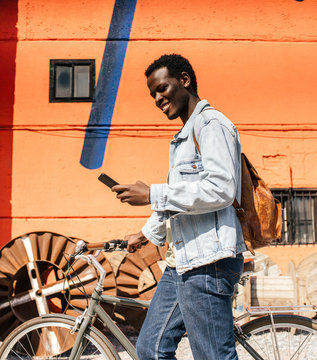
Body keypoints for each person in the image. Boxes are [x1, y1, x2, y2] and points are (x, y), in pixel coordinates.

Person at [112, 54, 246, 360]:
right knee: (151, 349)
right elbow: (181, 200)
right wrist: (146, 233)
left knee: (213, 356)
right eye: (152, 95)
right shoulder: (184, 137)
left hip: (208, 263)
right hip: (182, 261)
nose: (158, 99)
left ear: (184, 80)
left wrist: (152, 193)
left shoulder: (211, 125)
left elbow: (221, 189)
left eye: (162, 89)